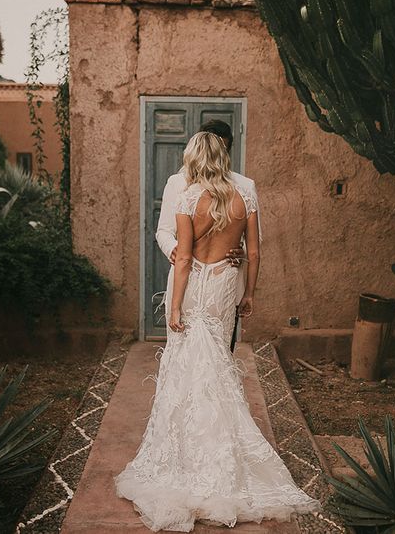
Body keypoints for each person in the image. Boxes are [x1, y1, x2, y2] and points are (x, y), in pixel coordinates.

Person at [115, 132, 320, 531]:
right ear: (223, 157)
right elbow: (255, 252)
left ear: (194, 159)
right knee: (218, 363)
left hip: (196, 287)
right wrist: (251, 294)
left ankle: (188, 453)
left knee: (186, 365)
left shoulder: (189, 198)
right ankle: (224, 450)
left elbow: (185, 257)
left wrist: (173, 306)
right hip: (227, 285)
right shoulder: (244, 198)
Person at [155, 119, 260, 350]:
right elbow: (163, 230)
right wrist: (175, 248)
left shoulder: (246, 185)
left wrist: (238, 252)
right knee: (201, 352)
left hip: (224, 278)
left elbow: (251, 244)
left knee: (219, 350)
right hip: (189, 272)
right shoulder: (176, 183)